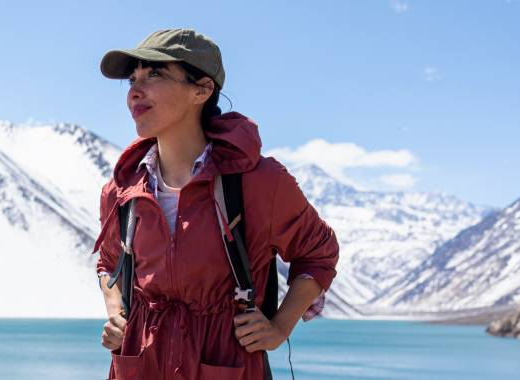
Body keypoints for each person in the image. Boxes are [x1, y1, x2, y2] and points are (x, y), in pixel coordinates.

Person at [92, 28, 339, 380]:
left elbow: (318, 253)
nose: (134, 91)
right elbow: (109, 263)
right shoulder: (122, 189)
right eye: (133, 79)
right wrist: (116, 313)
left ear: (202, 90)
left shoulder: (258, 182)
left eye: (155, 74)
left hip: (226, 363)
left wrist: (279, 327)